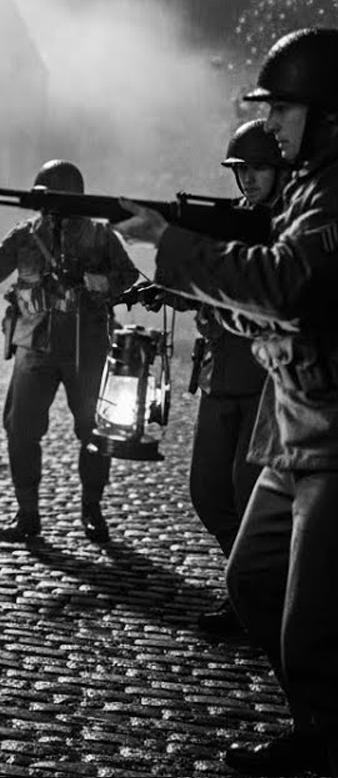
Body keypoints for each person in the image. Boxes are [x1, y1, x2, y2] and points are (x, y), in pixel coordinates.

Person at [116, 28, 338, 777]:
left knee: (311, 624)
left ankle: (325, 733)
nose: (270, 124)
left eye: (283, 110)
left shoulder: (333, 193)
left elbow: (284, 285)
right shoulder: (307, 187)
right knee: (251, 580)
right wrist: (195, 279)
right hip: (298, 427)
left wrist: (174, 245)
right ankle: (316, 720)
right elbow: (263, 309)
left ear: (328, 113)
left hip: (333, 431)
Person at [0, 160, 138, 544]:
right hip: (34, 343)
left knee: (94, 431)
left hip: (85, 344)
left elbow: (128, 277)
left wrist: (95, 282)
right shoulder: (26, 235)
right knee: (20, 429)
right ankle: (27, 512)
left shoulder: (100, 237)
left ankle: (92, 508)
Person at [188, 120, 289, 637]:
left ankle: (251, 598)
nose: (248, 177)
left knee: (249, 496)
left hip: (265, 380)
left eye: (259, 168)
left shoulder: (292, 227)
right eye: (241, 169)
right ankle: (249, 586)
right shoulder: (231, 220)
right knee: (207, 492)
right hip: (220, 374)